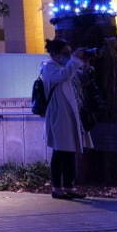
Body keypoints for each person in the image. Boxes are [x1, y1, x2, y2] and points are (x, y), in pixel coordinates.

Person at [39, 39, 91, 199]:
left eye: (70, 52)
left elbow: (76, 76)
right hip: (58, 114)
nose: (68, 56)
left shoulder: (62, 67)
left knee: (69, 151)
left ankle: (69, 186)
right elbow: (64, 75)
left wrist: (85, 63)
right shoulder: (48, 68)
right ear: (54, 54)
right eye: (65, 53)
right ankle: (57, 188)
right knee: (60, 151)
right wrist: (75, 59)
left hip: (68, 114)